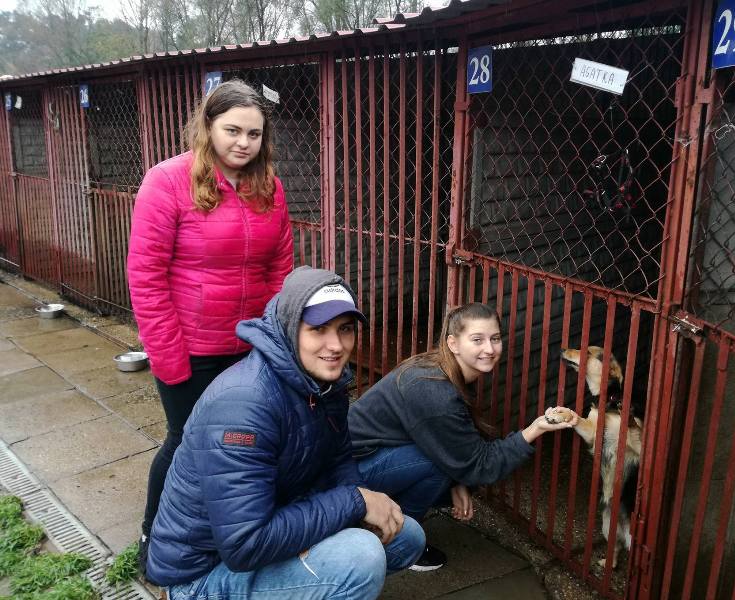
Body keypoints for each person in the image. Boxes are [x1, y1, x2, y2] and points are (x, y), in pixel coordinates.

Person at [146, 266, 425, 599]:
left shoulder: (323, 383)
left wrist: (357, 498)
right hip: (201, 575)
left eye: (345, 329)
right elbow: (244, 545)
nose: (336, 345)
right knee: (360, 557)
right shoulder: (244, 406)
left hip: (274, 520)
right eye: (318, 329)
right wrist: (355, 502)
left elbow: (338, 460)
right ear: (291, 328)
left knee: (406, 536)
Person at [127, 79, 294, 570]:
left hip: (250, 348)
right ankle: (155, 534)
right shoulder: (167, 181)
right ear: (208, 126)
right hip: (191, 347)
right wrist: (169, 357)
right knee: (186, 442)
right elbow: (146, 276)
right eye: (232, 130)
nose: (243, 143)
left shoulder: (269, 187)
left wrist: (273, 339)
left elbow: (279, 268)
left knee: (246, 442)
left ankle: (233, 532)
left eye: (254, 134)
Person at [348, 302, 579, 571]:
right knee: (437, 465)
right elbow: (480, 464)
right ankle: (396, 541)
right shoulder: (434, 390)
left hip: (367, 459)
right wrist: (534, 429)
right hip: (347, 477)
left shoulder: (442, 369)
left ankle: (388, 524)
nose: (489, 349)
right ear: (453, 344)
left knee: (446, 467)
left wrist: (457, 481)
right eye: (477, 340)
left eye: (495, 339)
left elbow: (452, 442)